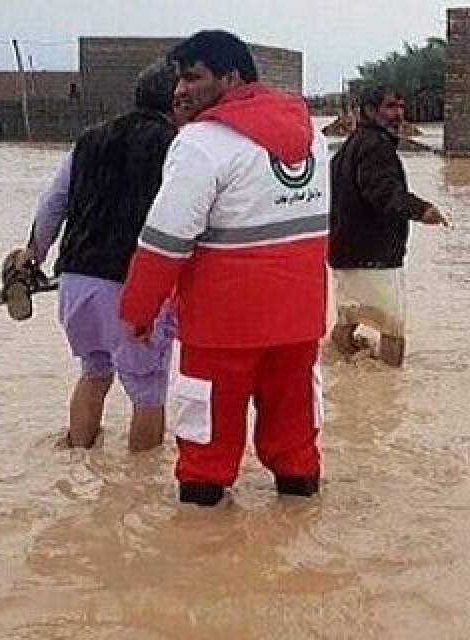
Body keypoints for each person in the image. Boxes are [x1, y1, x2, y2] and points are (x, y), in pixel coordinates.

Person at [120, 30, 329, 505]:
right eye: (178, 80)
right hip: (299, 324)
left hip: (222, 328)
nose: (180, 91)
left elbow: (165, 239)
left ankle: (202, 566)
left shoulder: (202, 143)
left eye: (193, 78)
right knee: (297, 445)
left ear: (231, 78)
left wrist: (139, 309)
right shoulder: (313, 134)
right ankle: (303, 559)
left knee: (205, 455)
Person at [16, 63, 179, 452]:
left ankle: (79, 457)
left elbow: (53, 202)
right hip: (132, 284)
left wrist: (33, 253)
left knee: (93, 372)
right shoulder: (177, 145)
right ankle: (139, 487)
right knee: (148, 391)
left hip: (75, 280)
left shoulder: (90, 139)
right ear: (177, 100)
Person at [329, 85, 448, 367]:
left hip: (345, 254)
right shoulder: (376, 146)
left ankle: (346, 383)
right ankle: (391, 390)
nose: (398, 114)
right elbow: (383, 192)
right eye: (391, 107)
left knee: (348, 320)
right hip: (376, 257)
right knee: (392, 330)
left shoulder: (350, 145)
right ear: (371, 111)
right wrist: (422, 210)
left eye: (400, 107)